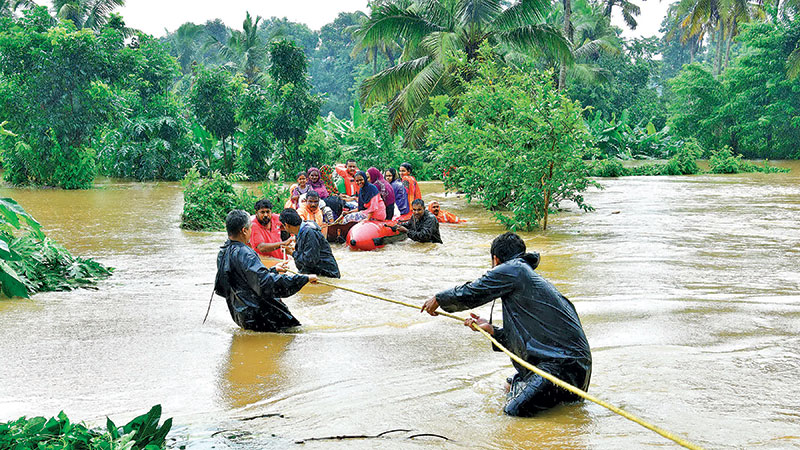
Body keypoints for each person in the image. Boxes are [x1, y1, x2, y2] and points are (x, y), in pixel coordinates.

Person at [421, 232, 592, 417]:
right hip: (575, 369)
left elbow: (472, 292)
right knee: (509, 386)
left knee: (513, 412)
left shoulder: (514, 269)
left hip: (561, 367)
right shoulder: (525, 277)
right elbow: (530, 341)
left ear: (495, 260)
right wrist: (492, 330)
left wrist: (439, 299)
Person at [214, 209, 318, 332]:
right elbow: (266, 284)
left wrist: (273, 270)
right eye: (250, 228)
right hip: (263, 316)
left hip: (241, 315)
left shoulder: (223, 252)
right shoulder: (246, 254)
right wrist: (304, 278)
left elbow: (243, 280)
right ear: (244, 230)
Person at [279, 208, 341, 278]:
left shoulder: (309, 232)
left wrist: (292, 253)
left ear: (287, 225)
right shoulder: (301, 230)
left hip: (327, 275)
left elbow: (309, 261)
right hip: (315, 274)